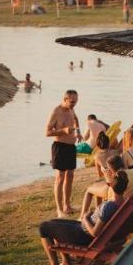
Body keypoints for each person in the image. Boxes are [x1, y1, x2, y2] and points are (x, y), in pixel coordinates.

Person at [38, 172, 128, 265]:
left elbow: (95, 233)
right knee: (53, 222)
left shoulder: (109, 206)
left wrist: (85, 218)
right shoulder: (124, 203)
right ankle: (66, 263)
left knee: (43, 227)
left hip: (83, 236)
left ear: (109, 185)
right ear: (125, 187)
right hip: (86, 231)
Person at [45, 90, 82, 218]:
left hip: (71, 147)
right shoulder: (56, 112)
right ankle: (59, 209)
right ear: (65, 99)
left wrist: (78, 132)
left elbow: (76, 119)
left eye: (76, 102)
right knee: (60, 177)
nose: (74, 104)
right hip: (59, 147)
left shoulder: (72, 109)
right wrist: (63, 131)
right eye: (72, 102)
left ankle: (67, 205)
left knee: (70, 175)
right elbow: (47, 132)